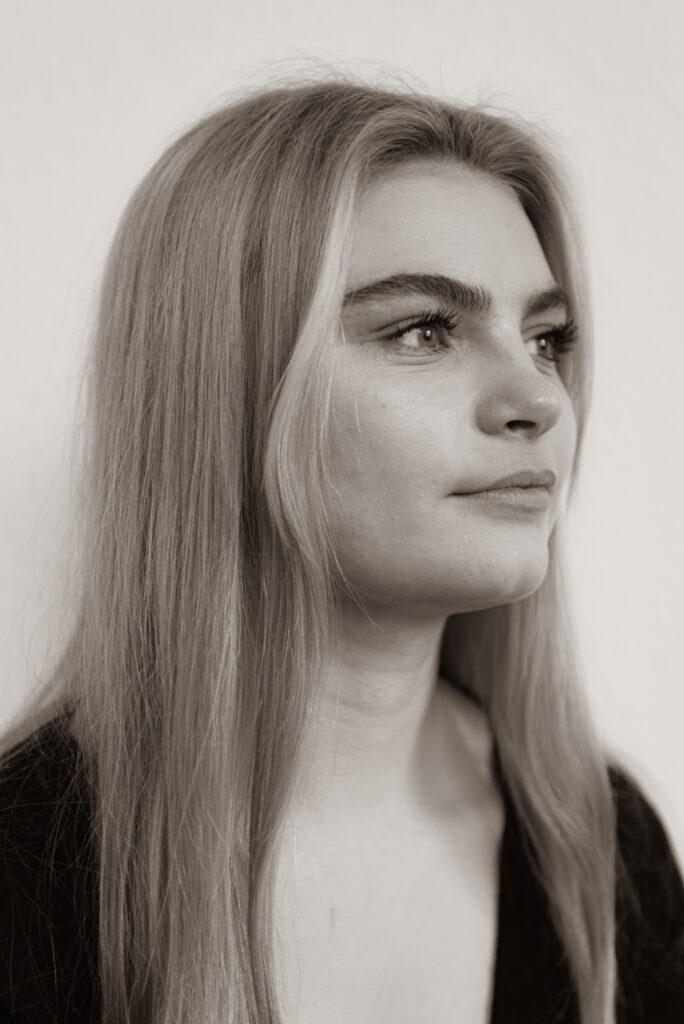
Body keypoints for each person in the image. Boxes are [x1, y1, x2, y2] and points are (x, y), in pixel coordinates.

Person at [0, 69, 682, 1024]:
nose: (539, 398)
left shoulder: (604, 855)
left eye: (547, 338)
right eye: (424, 330)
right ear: (226, 388)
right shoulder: (26, 876)